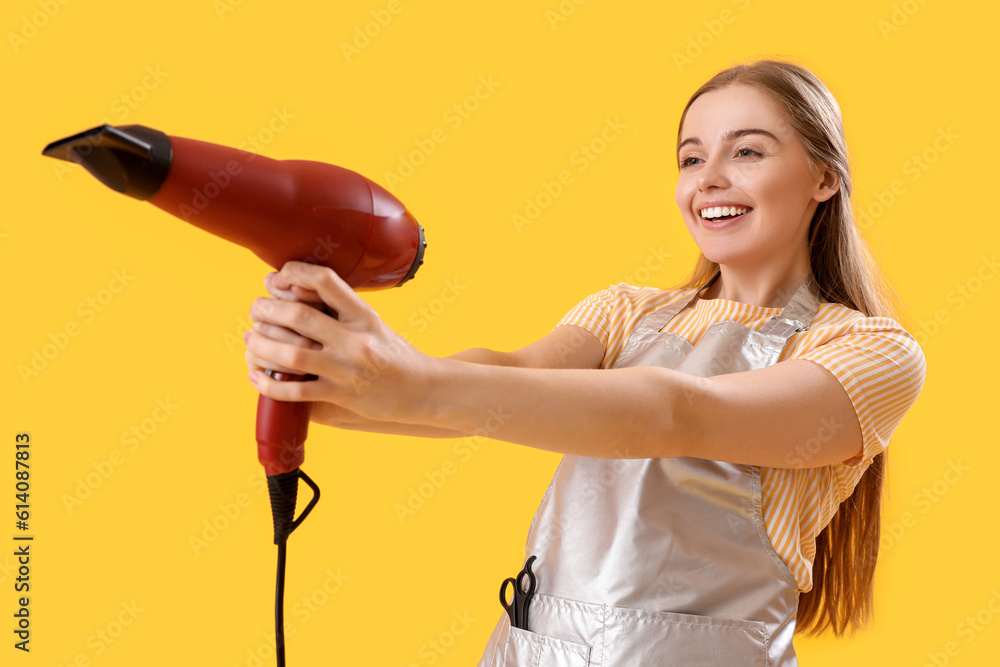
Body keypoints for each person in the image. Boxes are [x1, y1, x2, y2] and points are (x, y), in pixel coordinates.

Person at [242, 57, 927, 666]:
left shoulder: (869, 354)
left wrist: (406, 381)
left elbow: (678, 414)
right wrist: (336, 385)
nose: (709, 178)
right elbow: (508, 378)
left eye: (747, 151)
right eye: (690, 159)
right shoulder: (627, 311)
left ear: (824, 178)